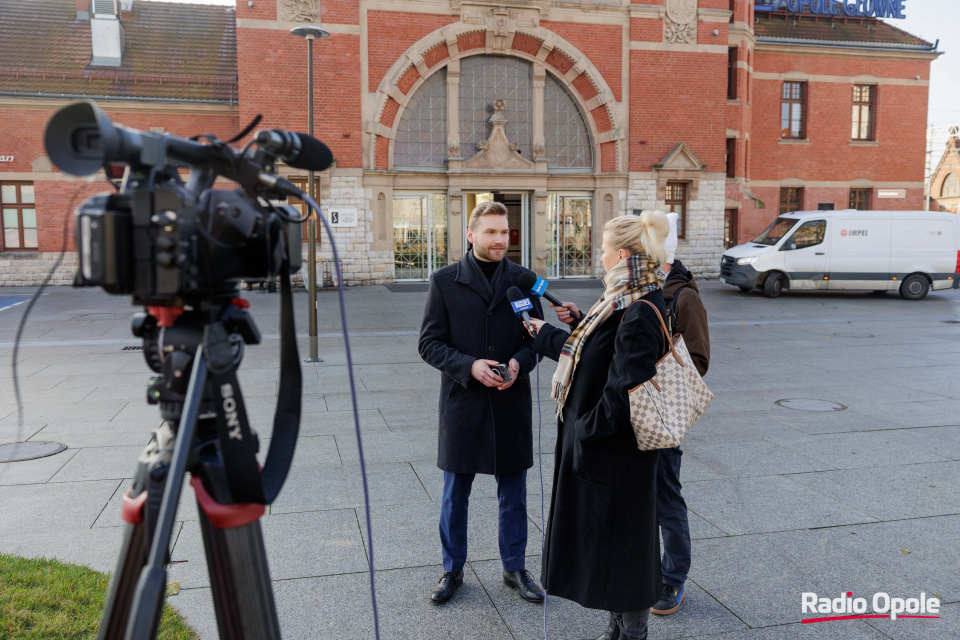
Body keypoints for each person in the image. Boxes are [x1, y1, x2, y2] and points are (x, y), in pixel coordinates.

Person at [528, 212, 671, 640]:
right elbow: (598, 357)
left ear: (623, 254)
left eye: (605, 248)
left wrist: (583, 433)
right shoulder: (621, 299)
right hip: (608, 453)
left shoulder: (639, 308)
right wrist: (567, 331)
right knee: (611, 547)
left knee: (624, 550)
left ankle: (632, 633)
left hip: (614, 455)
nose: (600, 254)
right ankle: (618, 628)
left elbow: (622, 391)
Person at [418, 201, 545, 606]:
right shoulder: (444, 281)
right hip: (463, 403)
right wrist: (469, 365)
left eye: (504, 232)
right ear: (470, 235)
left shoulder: (524, 281)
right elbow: (428, 343)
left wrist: (518, 364)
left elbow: (536, 340)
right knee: (455, 493)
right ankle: (451, 569)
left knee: (514, 494)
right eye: (490, 232)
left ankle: (515, 568)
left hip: (510, 403)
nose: (499, 240)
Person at [649, 211, 710, 616]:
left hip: (662, 410)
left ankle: (674, 580)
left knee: (666, 496)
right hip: (631, 411)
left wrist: (655, 367)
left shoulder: (683, 297)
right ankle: (645, 572)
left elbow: (700, 359)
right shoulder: (641, 288)